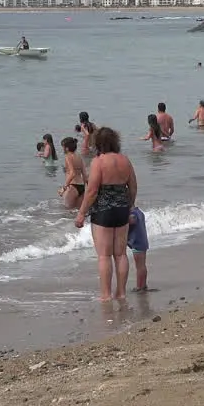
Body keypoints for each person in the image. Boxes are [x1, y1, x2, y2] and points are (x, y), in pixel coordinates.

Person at [75, 127, 138, 302]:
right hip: (122, 210)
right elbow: (132, 187)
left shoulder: (98, 162)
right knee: (121, 254)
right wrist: (130, 206)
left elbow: (93, 191)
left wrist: (81, 213)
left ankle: (105, 295)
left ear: (98, 143)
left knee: (104, 255)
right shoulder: (125, 160)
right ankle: (121, 293)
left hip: (103, 211)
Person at [59, 137, 87, 207]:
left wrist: (64, 188)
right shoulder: (79, 157)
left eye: (63, 147)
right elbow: (84, 175)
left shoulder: (68, 156)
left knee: (67, 211)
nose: (63, 149)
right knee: (77, 212)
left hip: (72, 186)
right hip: (81, 187)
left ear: (67, 148)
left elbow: (72, 173)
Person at [128, 206, 150, 292]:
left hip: (137, 242)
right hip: (142, 240)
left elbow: (132, 220)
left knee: (139, 266)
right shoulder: (139, 212)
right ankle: (143, 285)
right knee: (142, 265)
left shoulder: (133, 214)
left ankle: (139, 286)